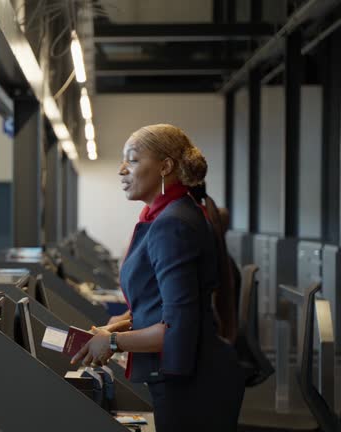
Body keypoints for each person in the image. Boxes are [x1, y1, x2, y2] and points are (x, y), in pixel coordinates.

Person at [72, 124, 245, 431]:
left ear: (165, 166)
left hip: (195, 386)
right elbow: (161, 305)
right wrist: (118, 324)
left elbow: (177, 326)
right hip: (193, 376)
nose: (122, 170)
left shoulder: (172, 224)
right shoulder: (170, 215)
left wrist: (113, 341)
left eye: (134, 160)